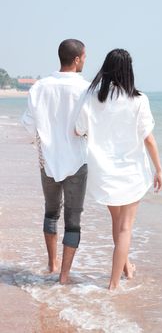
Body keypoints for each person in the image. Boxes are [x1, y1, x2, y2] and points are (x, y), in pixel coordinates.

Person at [75, 48, 162, 290]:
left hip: (103, 171)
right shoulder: (139, 100)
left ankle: (126, 268)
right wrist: (159, 169)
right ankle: (114, 284)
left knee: (117, 221)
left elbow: (78, 130)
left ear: (106, 68)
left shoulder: (92, 97)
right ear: (129, 71)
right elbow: (148, 139)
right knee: (125, 227)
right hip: (132, 172)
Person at [22, 39, 90, 284]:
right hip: (77, 161)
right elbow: (86, 126)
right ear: (76, 59)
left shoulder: (40, 87)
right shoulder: (86, 88)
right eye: (84, 57)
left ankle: (51, 264)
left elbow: (29, 125)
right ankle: (63, 276)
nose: (85, 60)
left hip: (47, 160)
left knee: (51, 213)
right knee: (73, 220)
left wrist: (41, 141)